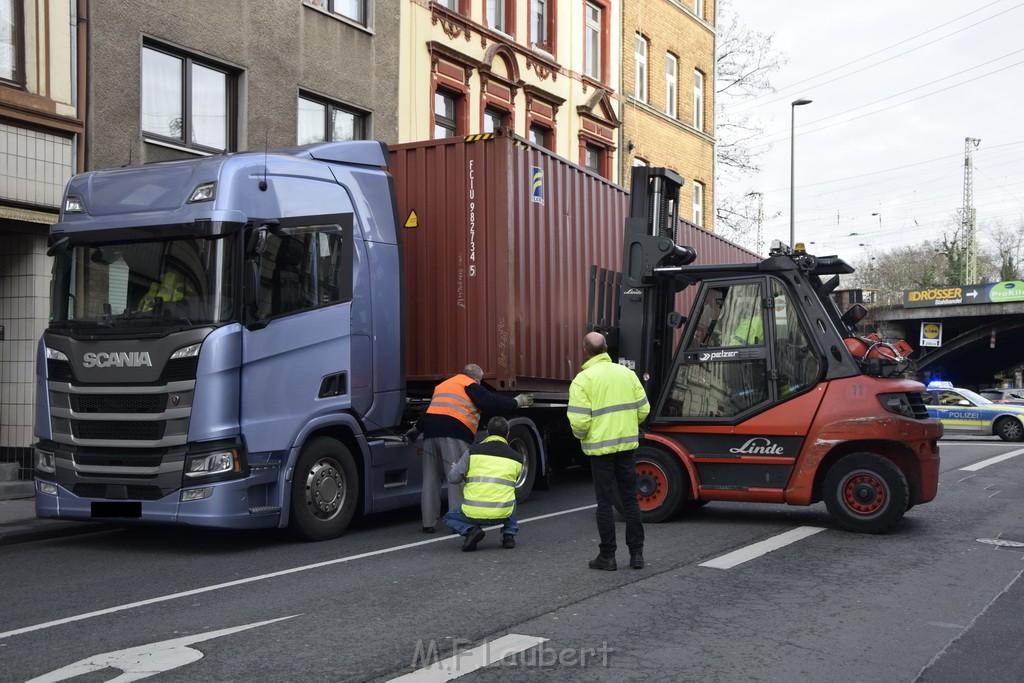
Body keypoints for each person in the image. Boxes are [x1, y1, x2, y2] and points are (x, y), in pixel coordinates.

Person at [405, 364, 532, 533]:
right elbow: (492, 402)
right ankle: (458, 523)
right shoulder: (470, 385)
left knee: (430, 479)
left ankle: (428, 523)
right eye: (480, 381)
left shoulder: (443, 386)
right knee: (457, 478)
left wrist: (416, 429)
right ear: (476, 378)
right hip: (454, 434)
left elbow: (430, 411)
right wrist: (517, 402)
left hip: (430, 434)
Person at [568, 332, 650, 571]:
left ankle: (608, 557)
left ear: (586, 351)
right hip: (626, 447)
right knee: (630, 500)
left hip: (600, 451)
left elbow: (580, 422)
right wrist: (627, 425)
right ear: (606, 348)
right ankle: (637, 555)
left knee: (604, 503)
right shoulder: (627, 374)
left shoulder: (583, 380)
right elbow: (644, 410)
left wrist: (585, 437)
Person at [443, 416, 522, 551]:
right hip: (502, 513)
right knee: (509, 493)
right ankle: (509, 535)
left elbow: (453, 478)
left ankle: (471, 530)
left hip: (473, 514)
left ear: (487, 433)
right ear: (507, 434)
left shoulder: (472, 452)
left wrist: (458, 469)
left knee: (449, 518)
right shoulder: (517, 458)